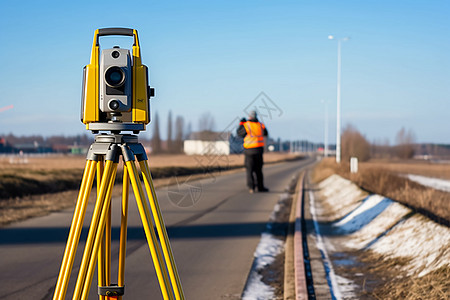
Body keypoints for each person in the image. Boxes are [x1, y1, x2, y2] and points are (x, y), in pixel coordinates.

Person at [237, 111, 269, 193]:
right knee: (259, 170)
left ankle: (251, 187)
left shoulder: (246, 125)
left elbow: (239, 133)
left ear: (250, 117)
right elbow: (266, 133)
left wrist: (241, 124)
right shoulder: (261, 125)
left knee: (250, 170)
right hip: (259, 150)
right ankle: (260, 187)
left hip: (249, 151)